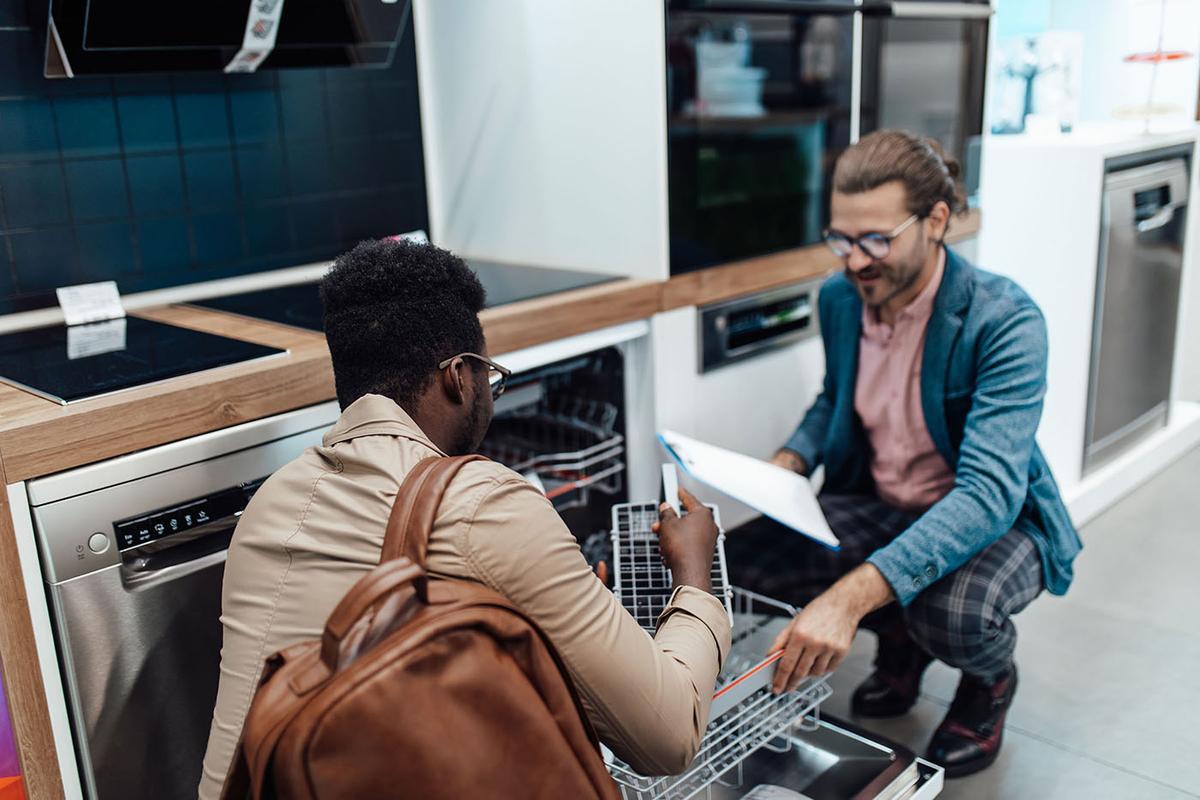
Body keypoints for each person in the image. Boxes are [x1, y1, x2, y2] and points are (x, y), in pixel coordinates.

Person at [198, 239, 731, 798]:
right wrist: (695, 574)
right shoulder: (485, 503)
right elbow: (668, 736)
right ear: (458, 375)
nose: (490, 395)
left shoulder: (268, 504)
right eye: (490, 377)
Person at [725, 130, 1082, 778]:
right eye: (841, 239)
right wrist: (788, 463)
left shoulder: (1004, 321)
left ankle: (987, 681)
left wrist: (849, 598)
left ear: (936, 221)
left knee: (951, 615)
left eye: (876, 240)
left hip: (990, 521)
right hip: (884, 500)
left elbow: (987, 495)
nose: (855, 262)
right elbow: (835, 398)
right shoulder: (840, 299)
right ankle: (900, 638)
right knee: (745, 562)